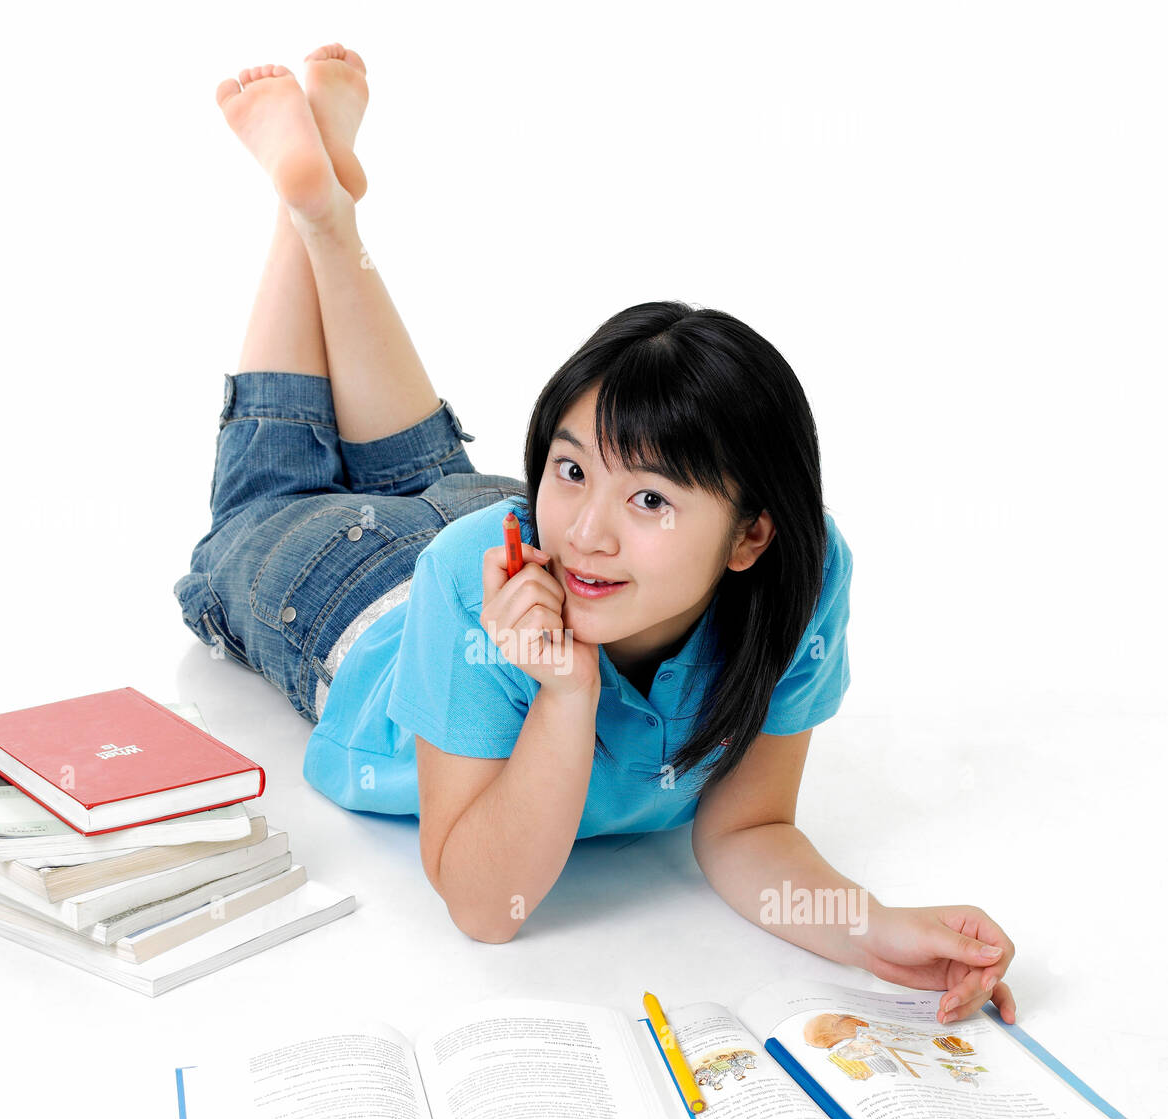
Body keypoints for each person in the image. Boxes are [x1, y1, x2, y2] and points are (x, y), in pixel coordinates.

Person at [175, 47, 1018, 1028]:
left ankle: (325, 210)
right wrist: (565, 691)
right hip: (360, 599)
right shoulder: (505, 561)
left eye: (649, 500)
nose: (584, 533)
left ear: (752, 536)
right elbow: (488, 908)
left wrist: (869, 926)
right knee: (266, 509)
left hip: (480, 532)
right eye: (571, 467)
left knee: (427, 467)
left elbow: (745, 830)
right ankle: (311, 219)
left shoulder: (804, 577)